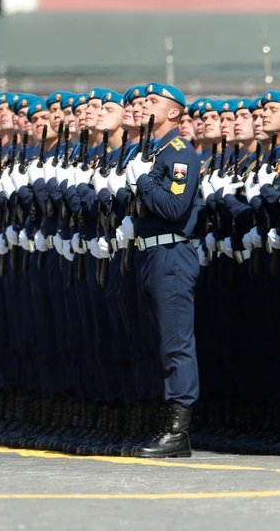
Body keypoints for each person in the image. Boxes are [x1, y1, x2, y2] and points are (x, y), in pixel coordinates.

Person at [123, 82, 201, 458]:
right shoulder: (152, 152)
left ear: (173, 112)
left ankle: (178, 432)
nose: (143, 105)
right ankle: (159, 422)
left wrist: (141, 181)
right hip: (149, 254)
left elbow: (173, 208)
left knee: (176, 345)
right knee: (153, 343)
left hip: (172, 255)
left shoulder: (178, 152)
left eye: (152, 101)